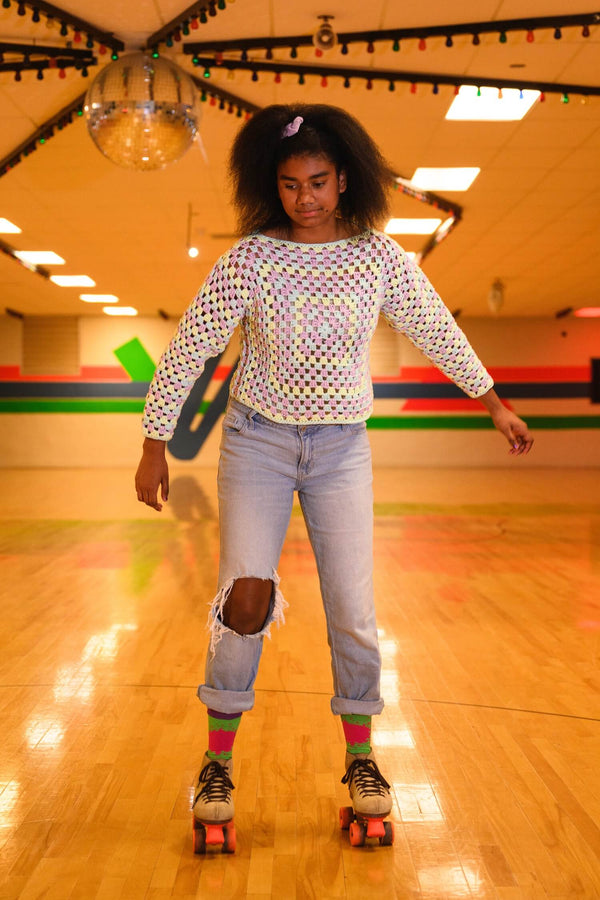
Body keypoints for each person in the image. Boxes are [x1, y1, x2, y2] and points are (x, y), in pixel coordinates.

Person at [135, 103, 533, 837]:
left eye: (319, 181)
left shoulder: (379, 259)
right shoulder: (249, 260)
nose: (306, 197)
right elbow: (192, 346)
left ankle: (361, 757)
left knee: (354, 612)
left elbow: (437, 327)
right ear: (272, 186)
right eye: (290, 184)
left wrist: (493, 404)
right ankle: (217, 761)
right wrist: (155, 441)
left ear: (345, 180)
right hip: (257, 441)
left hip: (343, 448)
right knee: (244, 601)